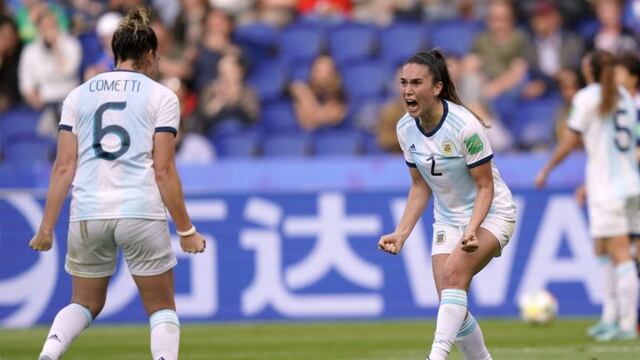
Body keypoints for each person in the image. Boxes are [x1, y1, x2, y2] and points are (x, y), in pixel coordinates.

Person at [28, 7, 206, 360]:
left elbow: (63, 167)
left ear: (116, 54)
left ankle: (48, 354)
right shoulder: (162, 97)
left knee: (84, 302)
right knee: (160, 308)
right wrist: (186, 230)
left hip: (88, 211)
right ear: (151, 55)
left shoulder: (77, 95)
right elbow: (164, 170)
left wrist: (46, 228)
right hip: (139, 209)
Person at [377, 49, 517, 360]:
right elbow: (419, 186)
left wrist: (472, 228)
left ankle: (436, 356)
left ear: (437, 87)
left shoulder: (465, 127)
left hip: (492, 213)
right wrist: (401, 233)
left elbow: (485, 186)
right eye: (403, 83)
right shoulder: (404, 129)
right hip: (448, 219)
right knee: (451, 300)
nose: (407, 91)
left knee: (454, 275)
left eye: (416, 83)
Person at [535, 50, 640, 341]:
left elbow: (570, 141)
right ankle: (610, 317)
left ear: (589, 71)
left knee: (619, 254)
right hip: (628, 184)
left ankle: (627, 324)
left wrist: (547, 169)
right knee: (604, 250)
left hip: (610, 189)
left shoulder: (587, 98)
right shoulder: (625, 97)